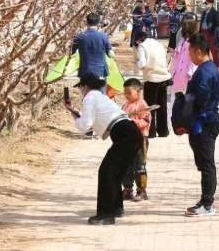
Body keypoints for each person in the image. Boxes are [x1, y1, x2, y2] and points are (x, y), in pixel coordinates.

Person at [65, 72, 142, 225]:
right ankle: (115, 208)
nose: (80, 91)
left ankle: (106, 214)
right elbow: (92, 121)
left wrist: (75, 118)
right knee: (114, 173)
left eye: (80, 87)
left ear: (85, 86)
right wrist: (75, 113)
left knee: (106, 172)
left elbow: (86, 125)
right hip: (130, 132)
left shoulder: (90, 97)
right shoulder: (99, 96)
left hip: (124, 134)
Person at [184, 33, 219, 216]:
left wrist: (186, 106)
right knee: (203, 163)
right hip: (203, 120)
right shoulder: (207, 68)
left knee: (207, 164)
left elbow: (201, 98)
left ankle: (208, 204)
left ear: (199, 52)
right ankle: (205, 200)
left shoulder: (206, 72)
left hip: (205, 122)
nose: (189, 56)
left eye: (190, 52)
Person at [134, 28, 171, 137]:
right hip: (164, 77)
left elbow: (142, 63)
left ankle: (151, 131)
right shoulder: (158, 44)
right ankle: (163, 131)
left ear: (139, 40)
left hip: (151, 78)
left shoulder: (142, 46)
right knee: (162, 105)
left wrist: (137, 63)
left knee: (150, 106)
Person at [121, 78, 151, 202]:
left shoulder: (143, 106)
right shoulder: (125, 105)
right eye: (125, 93)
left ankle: (142, 190)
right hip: (126, 140)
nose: (126, 95)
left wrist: (133, 120)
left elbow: (145, 122)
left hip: (140, 139)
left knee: (140, 166)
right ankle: (127, 189)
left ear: (138, 92)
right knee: (126, 164)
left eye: (129, 92)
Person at [169, 13, 199, 107]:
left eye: (187, 25)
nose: (184, 27)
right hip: (178, 75)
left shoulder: (196, 40)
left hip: (188, 76)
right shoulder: (183, 39)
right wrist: (173, 53)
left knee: (187, 104)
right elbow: (178, 55)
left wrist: (190, 73)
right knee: (176, 103)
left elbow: (195, 60)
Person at [72, 12, 113, 78]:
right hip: (100, 71)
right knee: (99, 88)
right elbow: (110, 54)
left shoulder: (79, 37)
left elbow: (71, 52)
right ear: (98, 23)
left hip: (84, 71)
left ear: (86, 22)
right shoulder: (104, 36)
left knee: (86, 88)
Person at [199, 0, 219, 64]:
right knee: (202, 48)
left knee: (211, 49)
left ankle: (212, 63)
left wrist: (214, 34)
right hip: (203, 32)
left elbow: (217, 25)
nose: (205, 5)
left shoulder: (216, 13)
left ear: (211, 3)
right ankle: (204, 62)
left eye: (206, 3)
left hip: (211, 33)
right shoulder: (204, 12)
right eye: (205, 3)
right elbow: (201, 23)